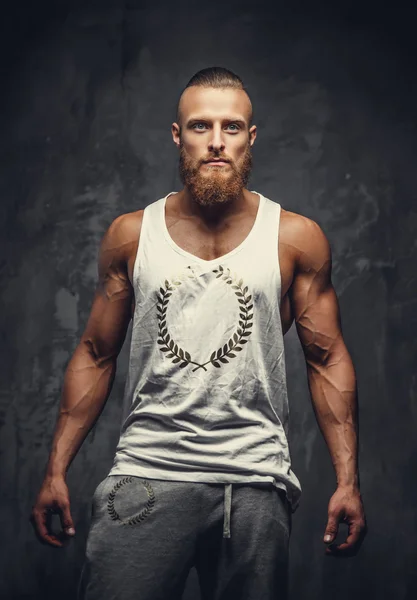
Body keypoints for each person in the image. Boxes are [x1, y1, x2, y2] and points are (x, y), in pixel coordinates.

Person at [30, 67, 367, 600]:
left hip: (254, 482)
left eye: (231, 127)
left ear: (250, 138)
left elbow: (326, 359)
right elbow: (95, 354)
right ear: (176, 135)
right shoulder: (131, 235)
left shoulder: (294, 238)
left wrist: (347, 481)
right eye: (200, 126)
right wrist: (55, 469)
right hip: (146, 472)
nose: (215, 142)